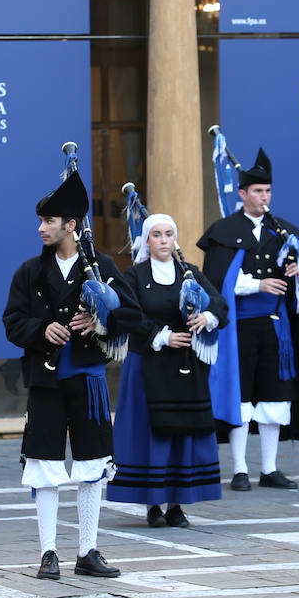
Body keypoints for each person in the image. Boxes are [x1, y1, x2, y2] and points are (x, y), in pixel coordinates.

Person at [2, 170, 140, 581]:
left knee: (92, 464)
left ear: (71, 226)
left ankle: (87, 550)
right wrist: (41, 330)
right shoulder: (29, 271)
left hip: (88, 380)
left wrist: (100, 322)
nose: (41, 228)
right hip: (45, 382)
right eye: (41, 221)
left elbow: (132, 315)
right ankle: (48, 552)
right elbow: (12, 321)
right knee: (44, 465)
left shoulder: (103, 267)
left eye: (49, 222)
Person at [197, 148, 299, 493]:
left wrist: (298, 271)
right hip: (239, 328)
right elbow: (215, 281)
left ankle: (270, 468)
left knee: (274, 396)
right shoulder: (224, 231)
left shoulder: (282, 231)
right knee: (240, 396)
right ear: (242, 194)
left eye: (268, 191)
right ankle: (240, 469)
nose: (264, 197)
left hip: (276, 328)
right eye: (257, 191)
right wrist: (257, 284)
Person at [108, 214, 228, 528]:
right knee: (152, 436)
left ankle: (177, 504)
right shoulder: (133, 276)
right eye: (157, 235)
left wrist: (207, 319)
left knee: (182, 434)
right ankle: (152, 504)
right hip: (149, 363)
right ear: (146, 241)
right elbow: (125, 315)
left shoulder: (190, 273)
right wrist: (162, 336)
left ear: (175, 239)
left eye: (169, 234)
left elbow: (219, 304)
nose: (163, 240)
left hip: (185, 368)